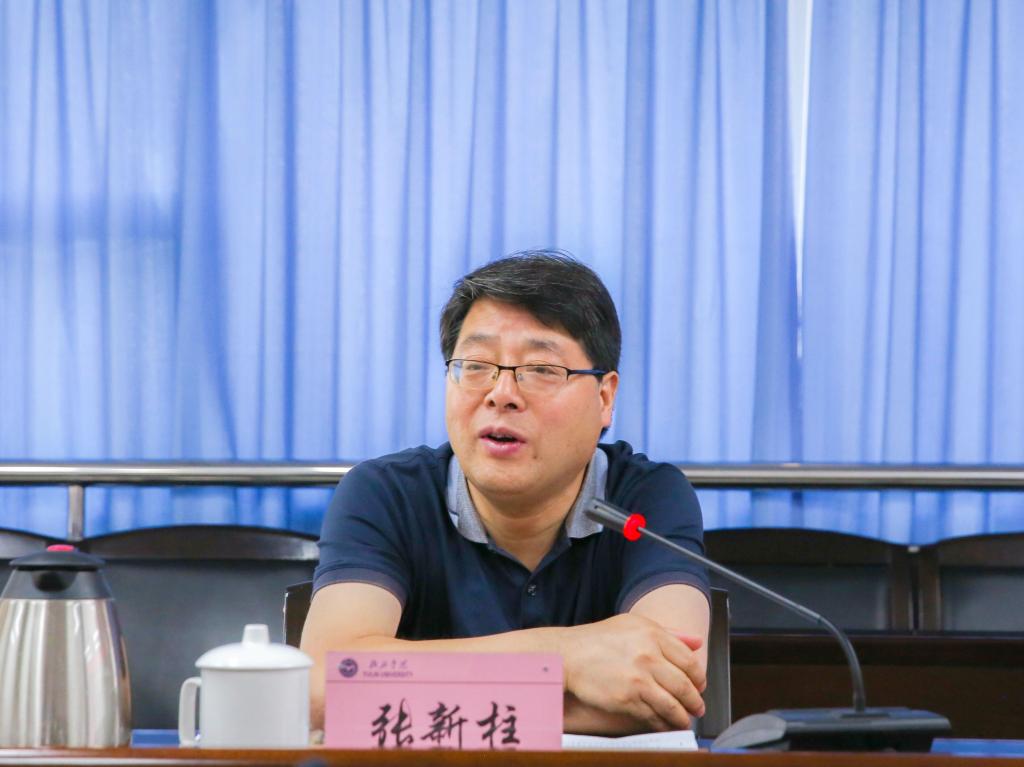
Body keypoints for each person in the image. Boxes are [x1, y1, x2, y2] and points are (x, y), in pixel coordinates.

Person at [301, 251, 710, 735]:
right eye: (476, 365)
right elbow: (325, 689)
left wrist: (414, 697)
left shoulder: (647, 499)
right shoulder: (384, 494)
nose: (501, 393)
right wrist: (565, 658)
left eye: (541, 369)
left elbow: (668, 694)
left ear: (604, 397)